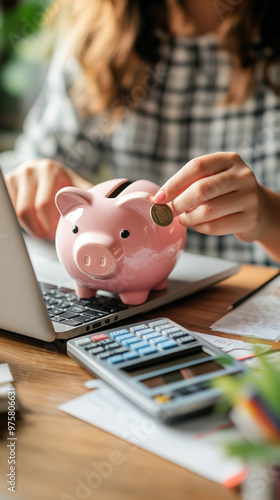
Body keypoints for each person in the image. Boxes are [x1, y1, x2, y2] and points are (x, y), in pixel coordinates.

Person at [3, 0, 280, 265]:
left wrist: (269, 217)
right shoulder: (99, 37)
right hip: (132, 297)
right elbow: (26, 169)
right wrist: (33, 175)